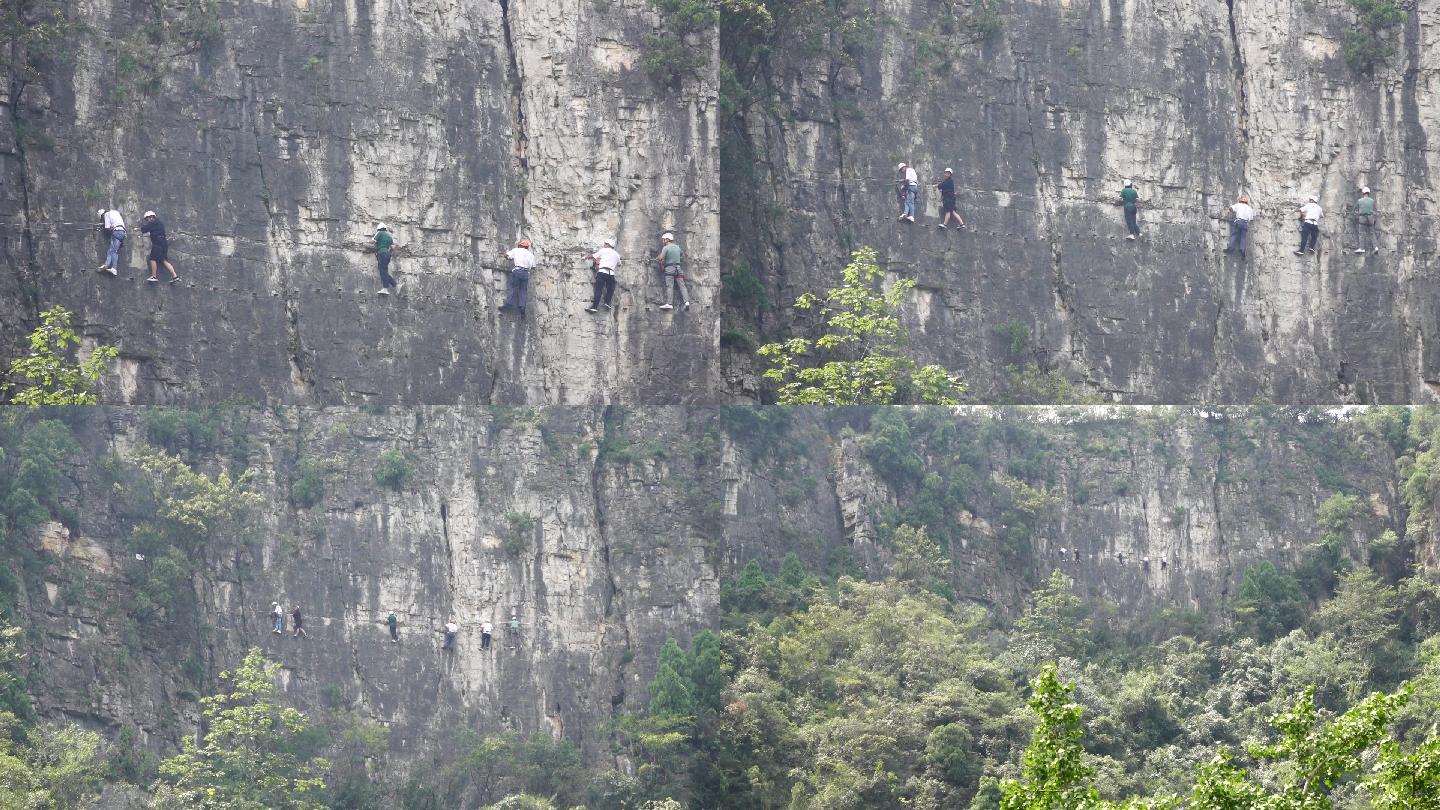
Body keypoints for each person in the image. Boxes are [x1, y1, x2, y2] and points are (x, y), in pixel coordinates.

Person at [138, 211, 180, 283]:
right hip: (163, 243)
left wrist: (138, 227)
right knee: (163, 260)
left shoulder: (153, 223)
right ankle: (175, 276)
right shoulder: (160, 223)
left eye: (147, 219)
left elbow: (144, 229)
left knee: (152, 258)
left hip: (157, 242)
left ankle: (154, 276)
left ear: (151, 217)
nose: (147, 220)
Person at [501, 238, 535, 317]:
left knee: (513, 287)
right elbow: (533, 267)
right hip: (526, 273)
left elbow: (507, 256)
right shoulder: (531, 255)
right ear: (527, 247)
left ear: (519, 245)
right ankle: (522, 307)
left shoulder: (516, 250)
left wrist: (505, 256)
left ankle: (509, 304)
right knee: (523, 290)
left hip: (517, 271)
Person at [655, 232, 689, 311]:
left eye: (663, 240)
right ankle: (687, 302)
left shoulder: (666, 248)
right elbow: (681, 255)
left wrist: (657, 258)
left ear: (667, 240)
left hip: (670, 268)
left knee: (670, 285)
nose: (663, 241)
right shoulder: (677, 247)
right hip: (678, 268)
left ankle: (669, 304)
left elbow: (661, 258)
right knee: (682, 286)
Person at [587, 239, 620, 313]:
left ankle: (594, 307)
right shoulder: (617, 254)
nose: (604, 245)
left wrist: (585, 258)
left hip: (602, 272)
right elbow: (619, 264)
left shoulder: (604, 250)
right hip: (611, 274)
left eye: (605, 244)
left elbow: (593, 256)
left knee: (598, 289)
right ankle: (607, 302)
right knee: (611, 289)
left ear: (607, 245)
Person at [1224, 194, 1254, 258]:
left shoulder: (1238, 205)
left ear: (1240, 200)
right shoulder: (1250, 209)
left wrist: (1228, 211)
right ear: (1246, 202)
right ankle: (1242, 250)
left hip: (1238, 222)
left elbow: (1231, 208)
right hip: (1245, 223)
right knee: (1243, 238)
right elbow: (1250, 219)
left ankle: (1231, 248)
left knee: (1234, 235)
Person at [97, 208, 126, 275]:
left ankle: (114, 268)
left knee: (113, 251)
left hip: (117, 232)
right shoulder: (115, 212)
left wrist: (105, 228)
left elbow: (107, 230)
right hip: (123, 233)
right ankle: (106, 264)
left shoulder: (106, 214)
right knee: (111, 250)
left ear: (102, 215)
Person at [372, 223, 398, 295]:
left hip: (382, 254)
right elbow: (393, 247)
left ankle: (385, 288)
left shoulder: (379, 233)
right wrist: (388, 252)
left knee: (383, 271)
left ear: (379, 228)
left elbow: (373, 241)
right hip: (387, 254)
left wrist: (367, 241)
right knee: (384, 271)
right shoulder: (389, 236)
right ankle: (395, 284)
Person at [1355, 186, 1378, 254]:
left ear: (1363, 193)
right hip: (1371, 218)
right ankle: (1375, 247)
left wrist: (1357, 213)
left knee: (1361, 233)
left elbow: (1356, 209)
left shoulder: (1359, 200)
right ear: (1368, 193)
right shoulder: (1372, 200)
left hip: (1363, 218)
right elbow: (1374, 210)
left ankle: (1362, 248)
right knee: (1372, 233)